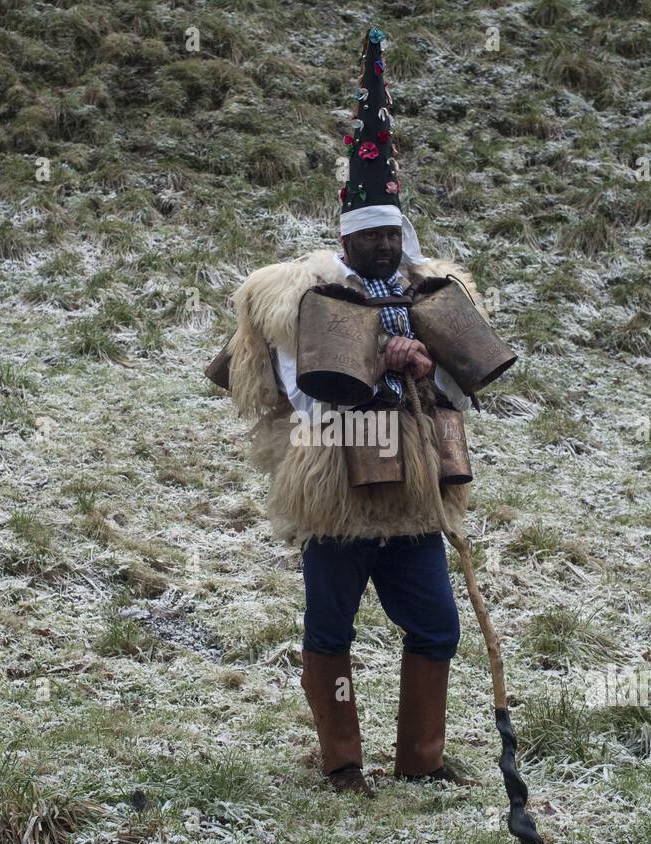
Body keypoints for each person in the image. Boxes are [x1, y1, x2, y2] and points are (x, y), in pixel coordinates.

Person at [222, 26, 483, 797]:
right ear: (348, 236)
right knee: (330, 633)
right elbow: (308, 392)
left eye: (389, 237)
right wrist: (381, 366)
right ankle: (341, 763)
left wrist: (429, 367)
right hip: (338, 488)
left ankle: (421, 759)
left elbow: (465, 388)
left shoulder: (427, 291)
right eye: (368, 237)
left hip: (414, 491)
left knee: (436, 625)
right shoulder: (311, 299)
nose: (380, 249)